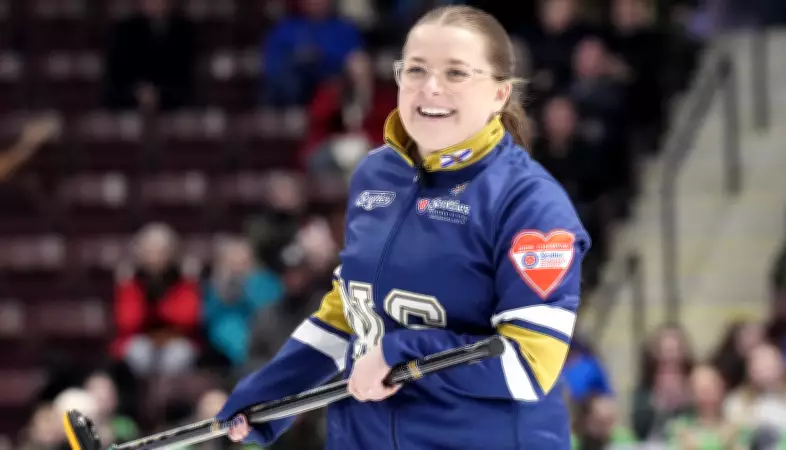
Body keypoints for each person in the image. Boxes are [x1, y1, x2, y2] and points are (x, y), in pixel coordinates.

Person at [216, 5, 591, 449]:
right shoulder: (374, 175)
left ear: (498, 94)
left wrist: (401, 354)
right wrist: (274, 390)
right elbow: (350, 309)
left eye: (456, 73)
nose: (430, 88)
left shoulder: (530, 204)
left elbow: (529, 366)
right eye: (415, 70)